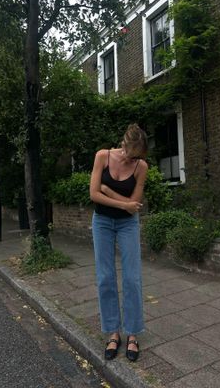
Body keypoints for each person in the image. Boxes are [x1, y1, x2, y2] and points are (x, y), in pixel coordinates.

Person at [90, 123, 148, 362]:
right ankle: (114, 332)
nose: (129, 158)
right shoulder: (102, 156)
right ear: (123, 143)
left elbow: (135, 203)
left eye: (134, 156)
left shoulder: (141, 166)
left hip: (127, 224)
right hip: (102, 221)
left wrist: (109, 192)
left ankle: (132, 334)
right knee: (105, 276)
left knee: (132, 278)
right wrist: (123, 203)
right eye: (128, 152)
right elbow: (94, 194)